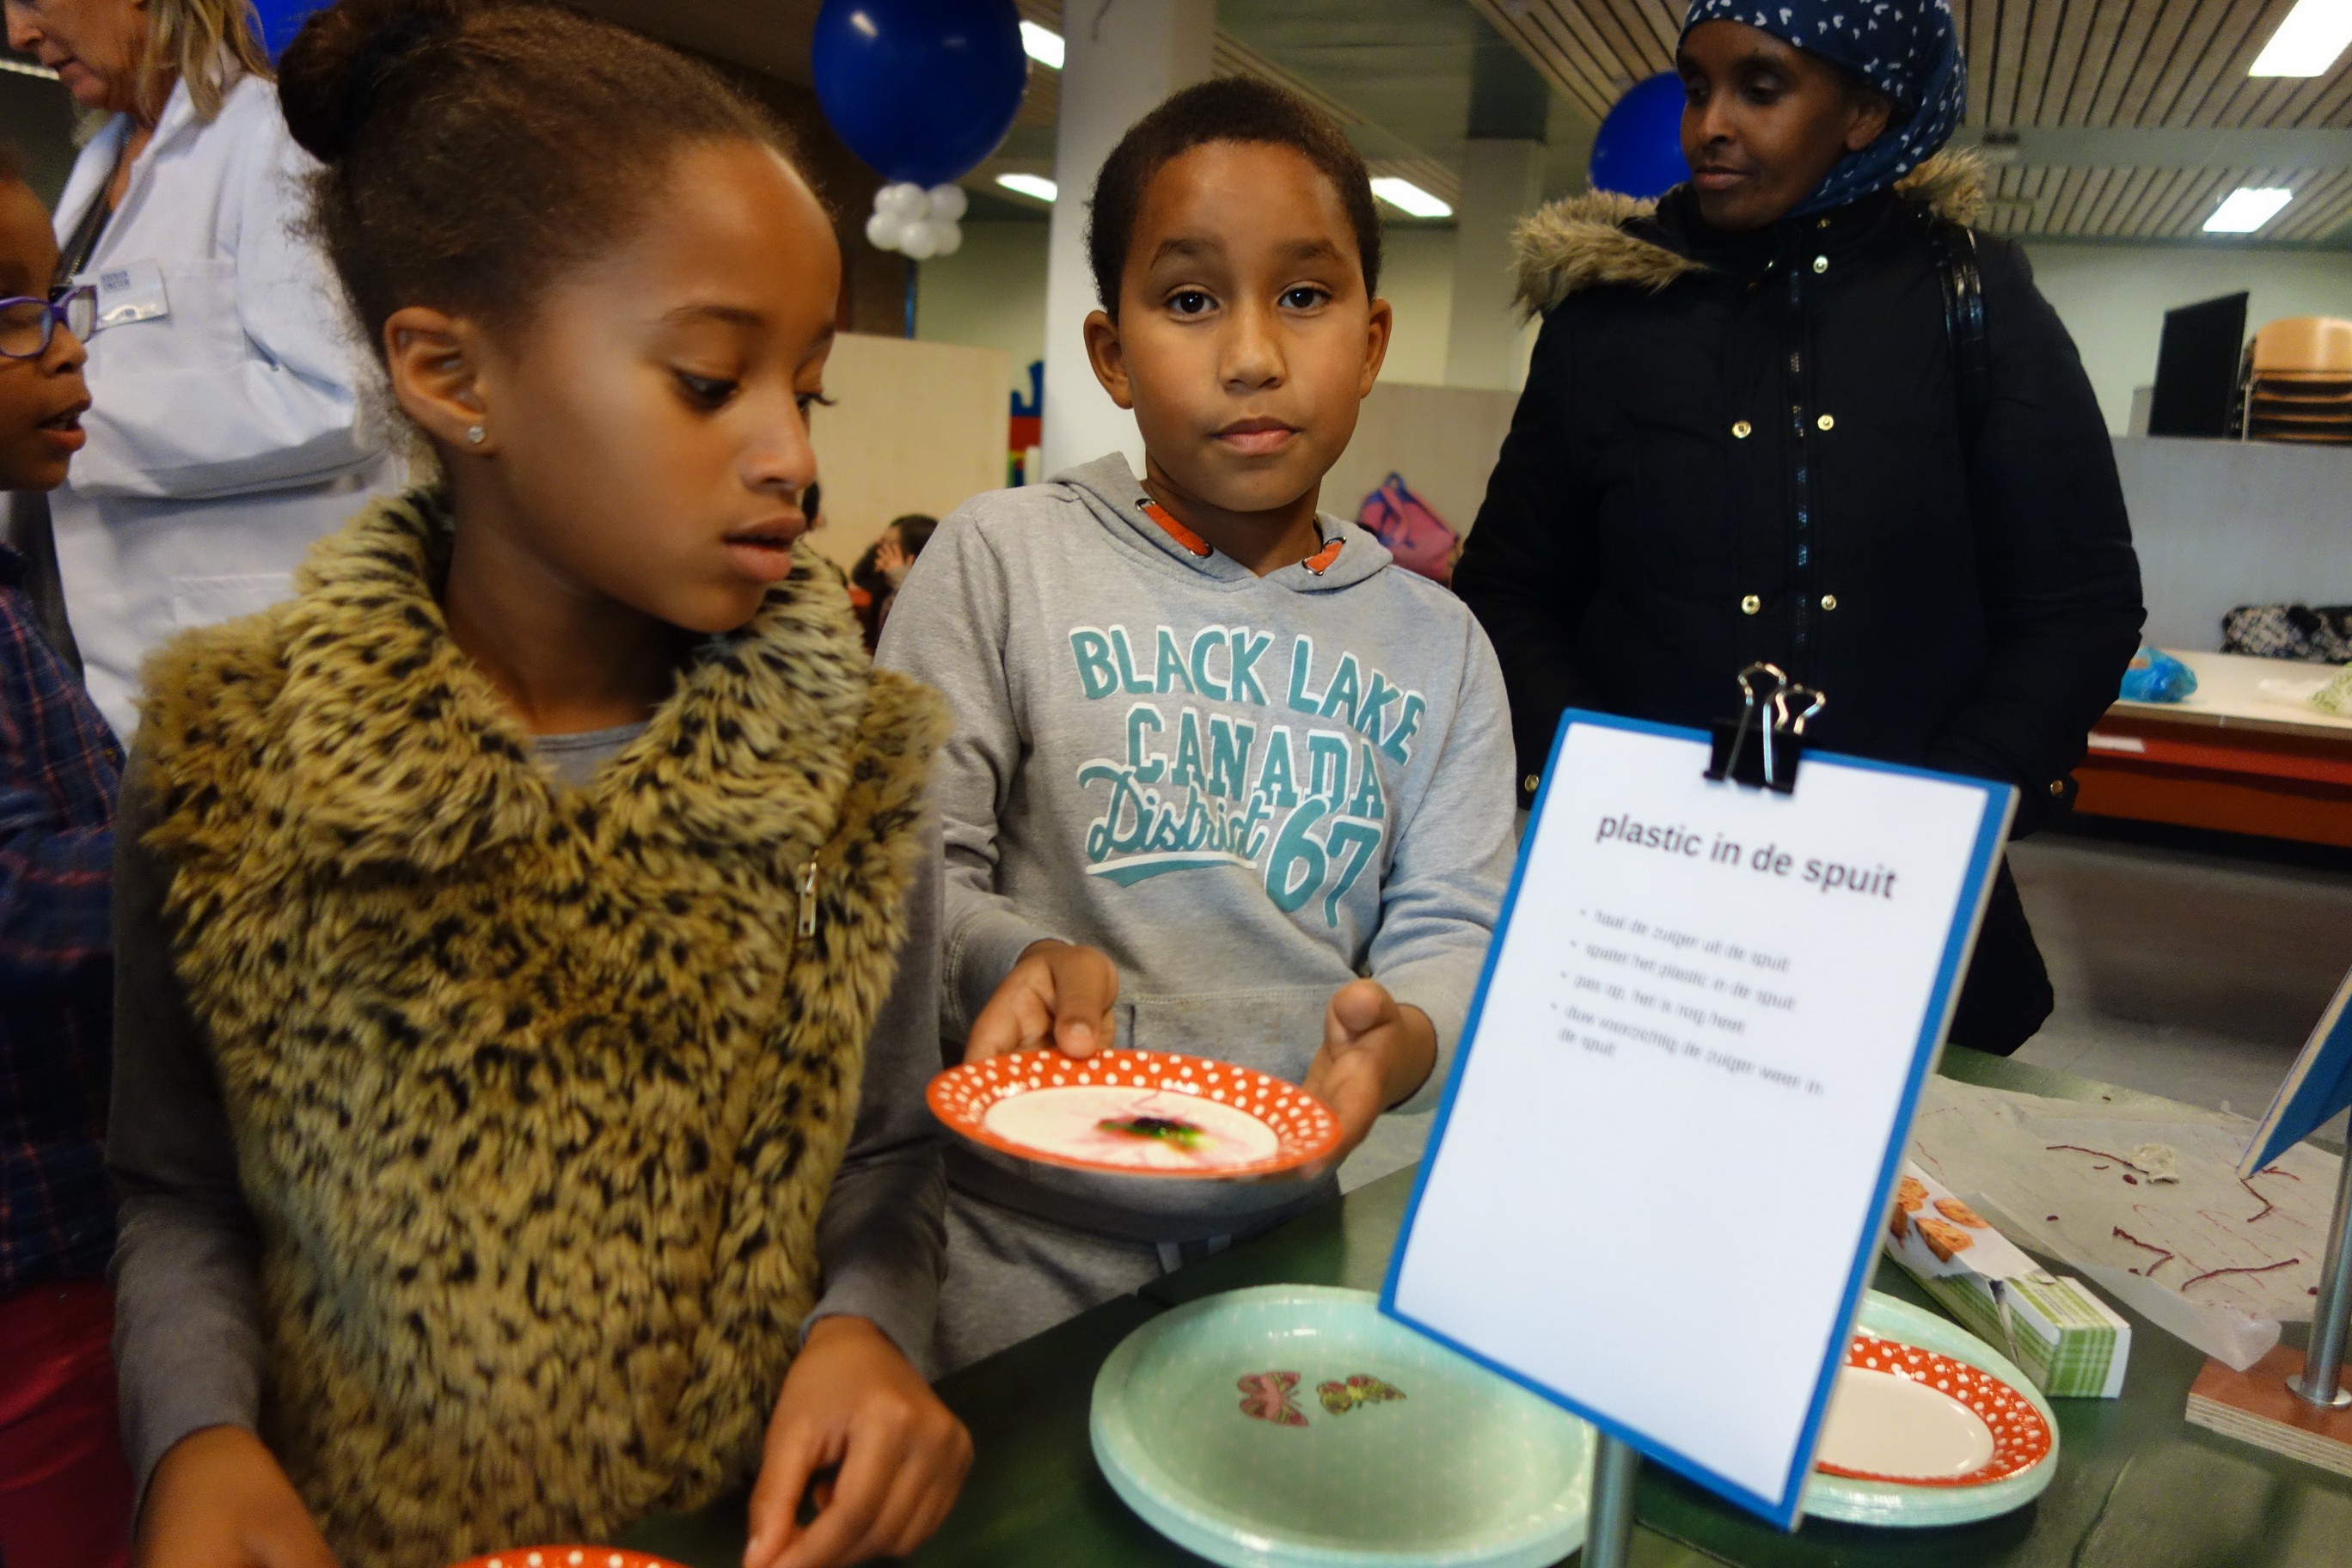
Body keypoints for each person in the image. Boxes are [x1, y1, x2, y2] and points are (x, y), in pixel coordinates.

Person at [104, 5, 968, 1566]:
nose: (790, 453)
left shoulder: (857, 760)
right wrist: (198, 1434)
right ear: (452, 372)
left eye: (811, 389)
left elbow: (888, 1157)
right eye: (711, 381)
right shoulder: (222, 757)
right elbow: (178, 1188)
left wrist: (873, 1328)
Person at [877, 78, 1515, 1371]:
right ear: (1111, 354)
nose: (1252, 356)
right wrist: (1011, 955)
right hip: (1005, 1253)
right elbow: (901, 871)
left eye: (1304, 295)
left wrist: (1409, 1037)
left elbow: (1451, 925)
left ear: (1374, 338)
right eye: (1188, 301)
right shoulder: (1002, 560)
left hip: (1291, 1250)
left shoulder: (1442, 648)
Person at [1453, 0, 2142, 1054]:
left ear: (1864, 110)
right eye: (1696, 85)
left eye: (1759, 88)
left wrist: (1936, 815)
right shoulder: (1609, 311)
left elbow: (2079, 605)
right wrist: (1599, 784)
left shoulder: (1974, 299)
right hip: (1645, 913)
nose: (1709, 125)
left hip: (1902, 908)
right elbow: (1508, 587)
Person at [2, 0, 390, 739]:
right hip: (81, 639)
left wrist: (60, 422)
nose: (19, 33)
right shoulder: (101, 159)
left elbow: (345, 398)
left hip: (251, 668)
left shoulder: (277, 135)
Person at [0, 151, 134, 1568]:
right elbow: (19, 897)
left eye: (62, 298)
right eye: (11, 311)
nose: (62, 348)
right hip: (26, 1287)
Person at [850, 512, 934, 652]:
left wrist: (901, 578)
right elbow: (860, 576)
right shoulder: (886, 585)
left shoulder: (925, 594)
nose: (878, 547)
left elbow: (912, 633)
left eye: (887, 547)